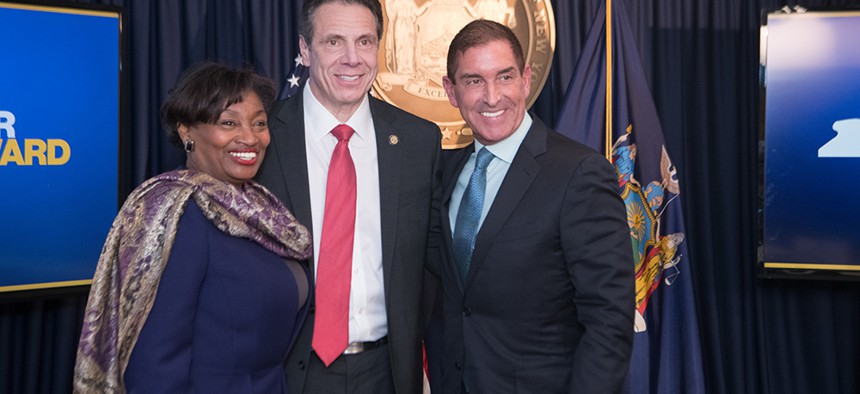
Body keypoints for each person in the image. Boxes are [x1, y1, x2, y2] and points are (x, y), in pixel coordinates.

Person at [73, 62, 313, 393]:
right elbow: (152, 365)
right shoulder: (178, 212)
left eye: (259, 123)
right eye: (228, 122)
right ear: (187, 132)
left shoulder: (263, 208)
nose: (249, 137)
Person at [429, 19, 635, 393]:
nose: (492, 97)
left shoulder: (579, 174)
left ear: (525, 79)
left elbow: (609, 321)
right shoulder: (445, 173)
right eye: (474, 80)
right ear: (451, 91)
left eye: (504, 77)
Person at [254, 0, 441, 393]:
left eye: (365, 41)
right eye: (334, 42)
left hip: (387, 372)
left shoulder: (418, 141)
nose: (352, 59)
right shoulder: (262, 138)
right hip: (285, 370)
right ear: (305, 49)